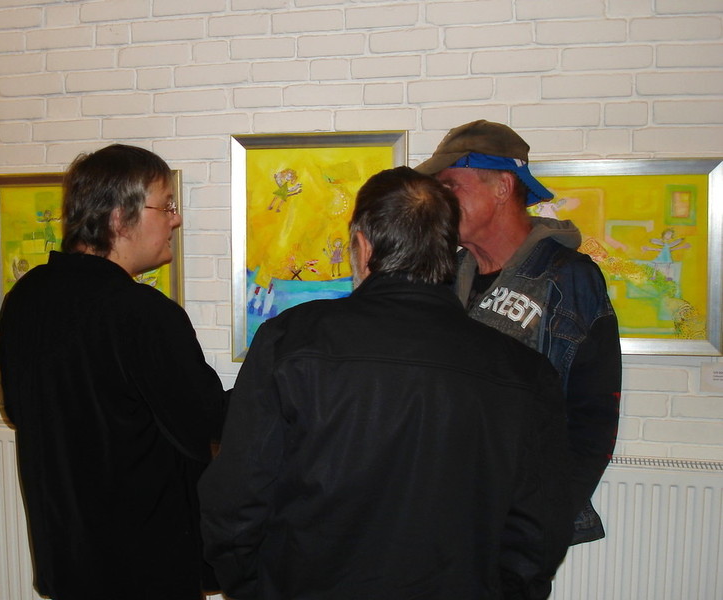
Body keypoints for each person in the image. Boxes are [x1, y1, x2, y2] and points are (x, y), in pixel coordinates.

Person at [198, 167, 572, 600]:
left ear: (363, 246)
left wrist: (259, 588)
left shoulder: (291, 341)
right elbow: (537, 535)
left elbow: (236, 501)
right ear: (446, 250)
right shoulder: (524, 372)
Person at [0, 144, 226, 600]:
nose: (176, 219)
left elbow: (19, 411)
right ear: (120, 218)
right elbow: (207, 421)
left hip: (67, 553)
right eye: (167, 206)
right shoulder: (140, 312)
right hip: (143, 564)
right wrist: (277, 381)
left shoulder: (26, 296)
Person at [414, 120, 622, 545]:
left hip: (516, 524)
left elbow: (593, 419)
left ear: (503, 187)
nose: (439, 202)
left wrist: (543, 523)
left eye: (451, 187)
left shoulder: (569, 280)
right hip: (441, 513)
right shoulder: (444, 276)